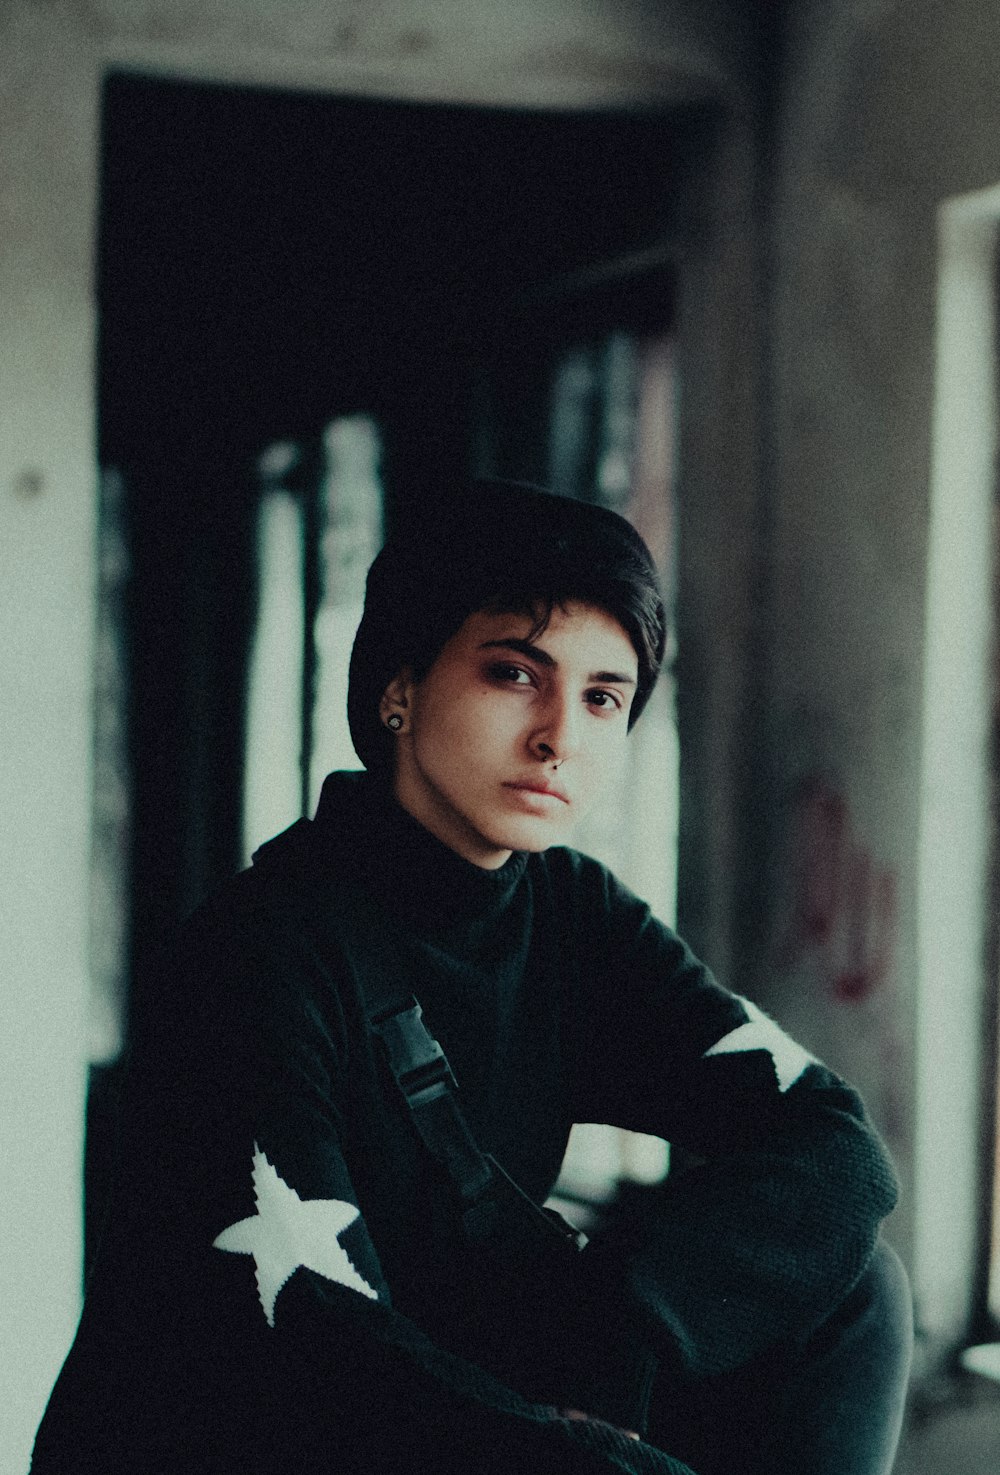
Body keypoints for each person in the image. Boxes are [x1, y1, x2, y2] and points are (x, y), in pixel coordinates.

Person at [32, 480, 912, 1475]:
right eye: (512, 673)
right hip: (253, 1425)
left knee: (855, 1289)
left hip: (447, 1384)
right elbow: (310, 1334)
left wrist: (625, 1324)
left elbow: (837, 1148)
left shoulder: (571, 913)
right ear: (398, 686)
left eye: (601, 696)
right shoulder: (257, 952)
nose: (558, 736)